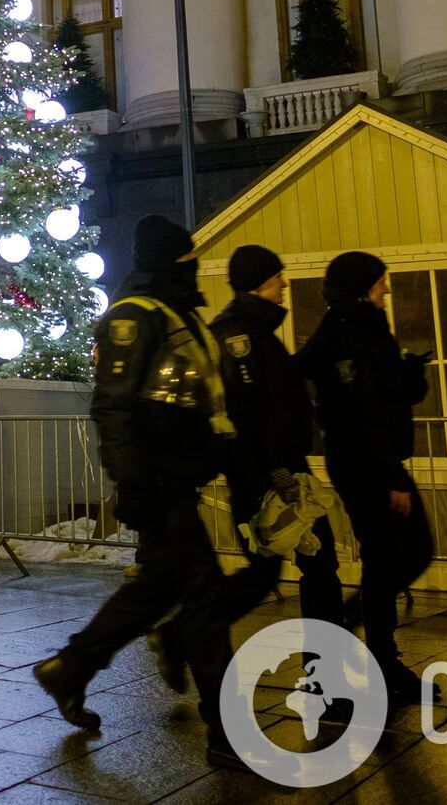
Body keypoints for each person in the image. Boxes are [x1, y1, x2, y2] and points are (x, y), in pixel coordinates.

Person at [33, 215, 243, 772]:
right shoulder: (136, 316)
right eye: (187, 256)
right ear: (173, 261)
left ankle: (70, 668)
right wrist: (132, 483)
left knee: (155, 589)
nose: (193, 264)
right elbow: (114, 405)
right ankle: (228, 732)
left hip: (174, 475)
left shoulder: (174, 313)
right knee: (205, 599)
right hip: (158, 481)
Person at [150, 245, 343, 693]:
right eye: (278, 277)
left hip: (278, 473)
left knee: (280, 572)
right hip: (271, 479)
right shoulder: (239, 336)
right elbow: (248, 411)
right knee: (309, 567)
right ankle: (324, 677)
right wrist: (276, 469)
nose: (285, 284)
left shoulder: (254, 330)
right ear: (259, 282)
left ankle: (179, 636)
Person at [300, 251, 433, 707]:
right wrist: (391, 474)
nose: (387, 289)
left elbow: (391, 394)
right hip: (366, 464)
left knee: (400, 554)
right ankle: (377, 657)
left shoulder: (362, 325)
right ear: (361, 286)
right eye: (381, 282)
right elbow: (363, 410)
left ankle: (372, 648)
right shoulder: (348, 332)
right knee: (397, 553)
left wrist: (412, 372)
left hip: (370, 461)